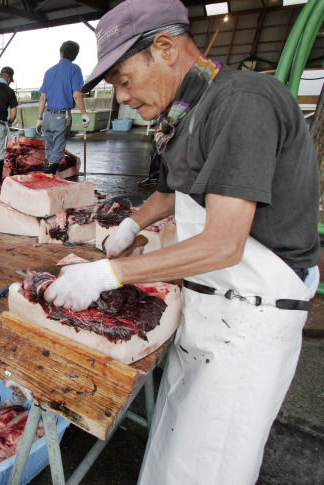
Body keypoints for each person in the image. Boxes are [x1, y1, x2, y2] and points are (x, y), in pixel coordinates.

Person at [44, 1, 321, 484]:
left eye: (125, 82)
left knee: (209, 463)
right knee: (174, 447)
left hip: (248, 321)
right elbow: (176, 190)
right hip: (211, 307)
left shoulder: (241, 102)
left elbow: (223, 244)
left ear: (166, 48)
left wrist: (109, 274)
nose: (123, 98)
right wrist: (131, 224)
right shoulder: (191, 110)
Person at [36, 40, 90, 174]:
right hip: (62, 116)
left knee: (49, 148)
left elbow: (42, 98)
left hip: (47, 115)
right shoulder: (74, 69)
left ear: (61, 52)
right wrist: (84, 114)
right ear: (75, 56)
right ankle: (47, 177)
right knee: (58, 150)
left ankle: (47, 176)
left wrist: (39, 119)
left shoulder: (49, 71)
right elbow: (77, 94)